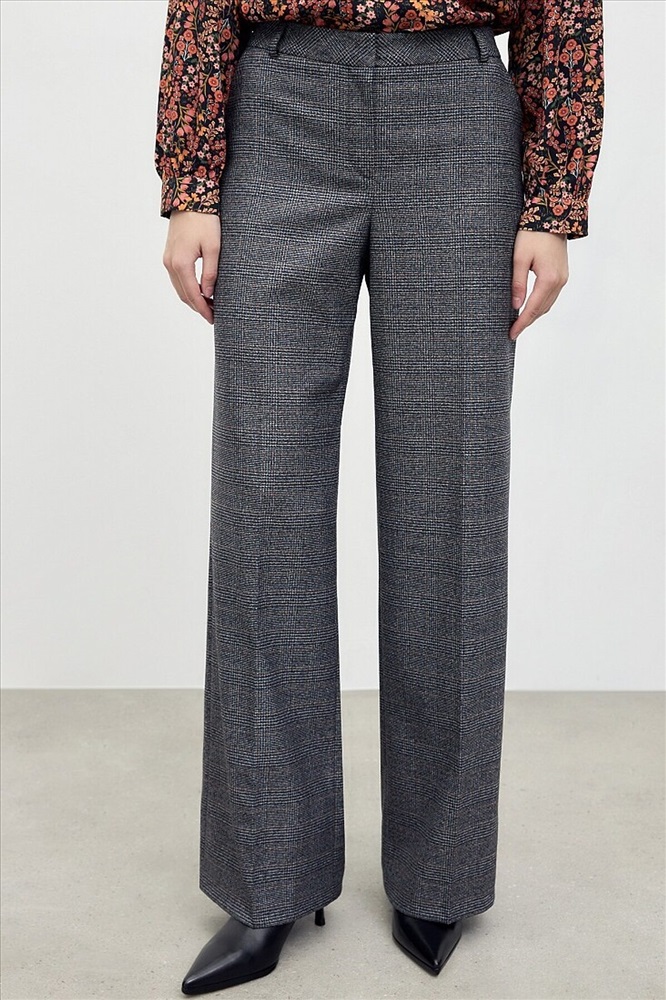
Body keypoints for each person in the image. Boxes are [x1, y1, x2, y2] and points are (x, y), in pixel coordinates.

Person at [154, 0, 604, 994]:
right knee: (264, 501)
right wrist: (190, 180)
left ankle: (440, 872)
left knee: (452, 503)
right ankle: (267, 878)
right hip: (280, 105)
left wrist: (553, 201)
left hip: (457, 111)